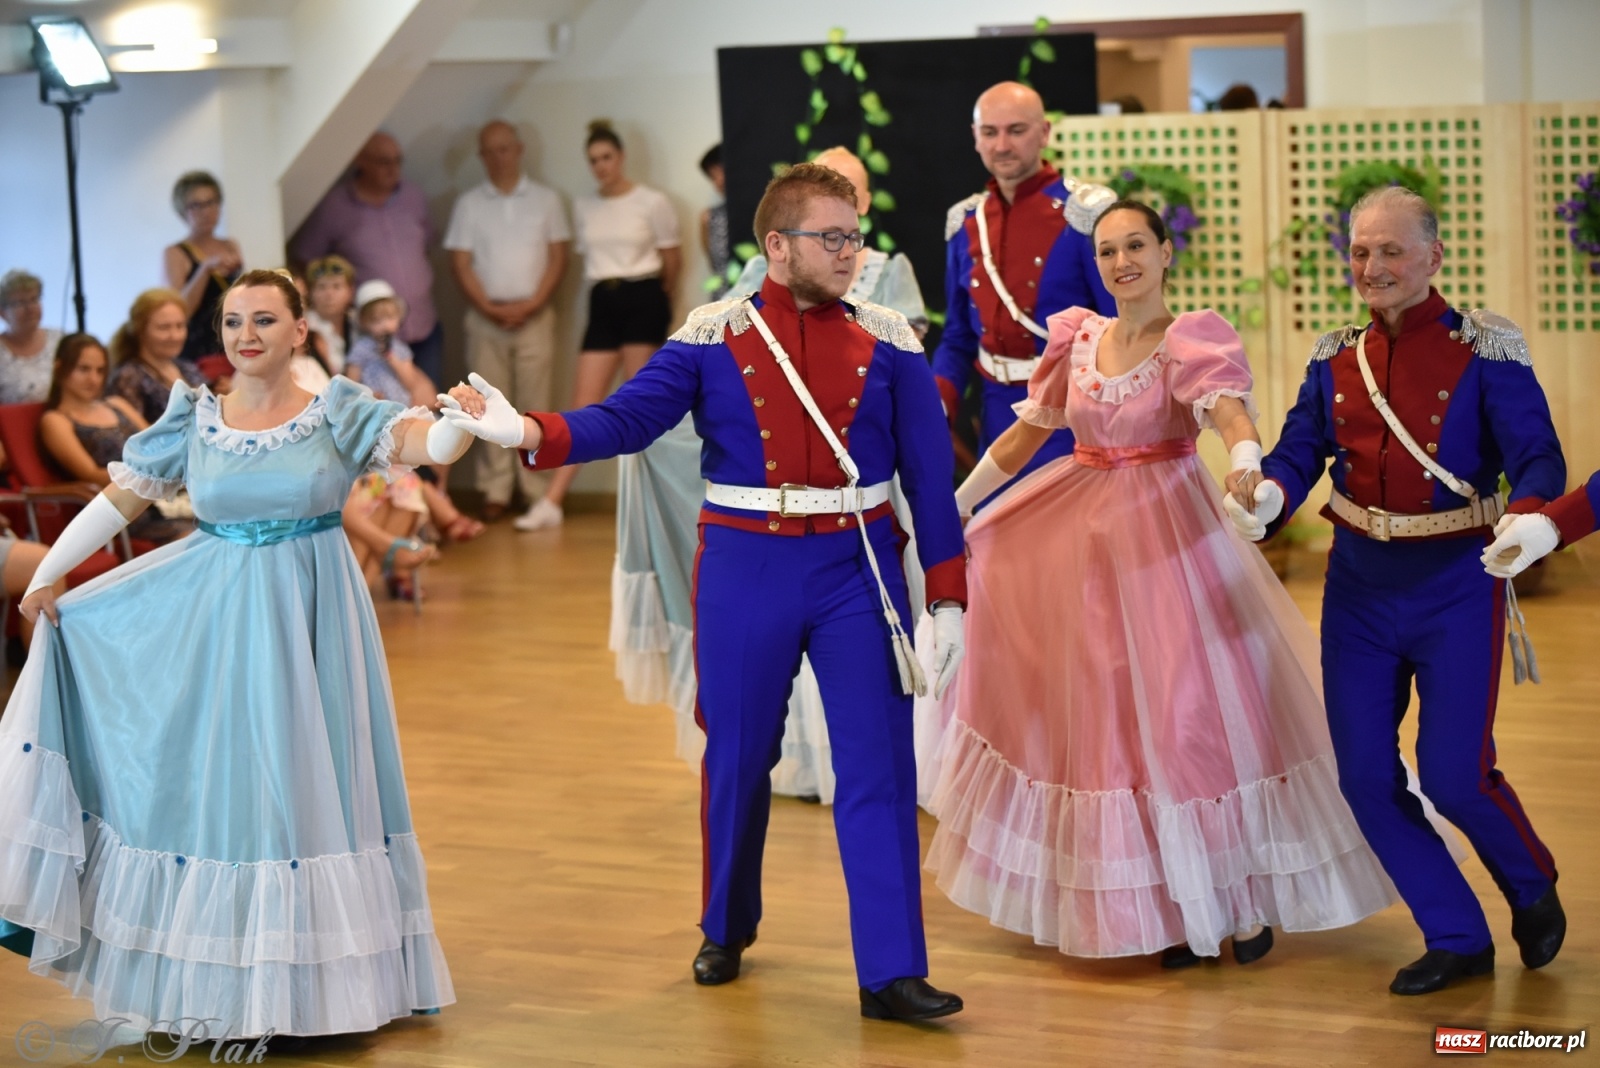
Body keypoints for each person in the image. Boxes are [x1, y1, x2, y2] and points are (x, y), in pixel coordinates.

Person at [439, 163, 969, 1022]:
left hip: (857, 564)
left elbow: (931, 481)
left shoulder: (891, 340)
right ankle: (726, 923)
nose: (851, 251)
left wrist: (946, 598)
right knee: (736, 759)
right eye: (831, 237)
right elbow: (626, 419)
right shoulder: (710, 335)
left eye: (854, 235)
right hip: (745, 566)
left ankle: (891, 971)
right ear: (776, 246)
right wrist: (527, 430)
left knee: (878, 767)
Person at [924, 200, 1396, 967]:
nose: (1122, 263)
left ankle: (1233, 898)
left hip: (1168, 542)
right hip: (1081, 546)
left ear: (1166, 252)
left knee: (1189, 723)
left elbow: (1229, 415)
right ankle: (1168, 908)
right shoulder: (1076, 337)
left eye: (1136, 246)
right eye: (1108, 251)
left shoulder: (1190, 339)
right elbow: (1025, 434)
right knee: (1110, 727)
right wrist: (956, 508)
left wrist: (1246, 461)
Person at [0, 268, 468, 1040]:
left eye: (263, 320)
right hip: (216, 620)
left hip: (314, 619)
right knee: (234, 793)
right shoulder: (194, 416)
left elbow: (417, 441)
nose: (245, 335)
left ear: (298, 333)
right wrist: (49, 573)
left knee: (307, 784)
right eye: (231, 322)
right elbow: (124, 497)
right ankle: (232, 982)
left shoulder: (337, 408)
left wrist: (464, 422)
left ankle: (321, 988)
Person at [1232, 186, 1567, 995]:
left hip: (1456, 582)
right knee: (1365, 777)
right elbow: (1300, 446)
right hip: (1357, 587)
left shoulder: (1486, 350)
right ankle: (1455, 934)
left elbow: (1540, 462)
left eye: (1390, 250)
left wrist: (1528, 517)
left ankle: (1529, 880)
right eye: (1359, 252)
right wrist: (1271, 491)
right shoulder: (1335, 355)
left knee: (1454, 773)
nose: (1372, 267)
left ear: (1433, 256)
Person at [616, 147, 930, 803]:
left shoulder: (886, 292)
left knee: (867, 682)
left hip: (859, 497)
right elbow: (727, 352)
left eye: (852, 193)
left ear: (865, 205)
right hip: (766, 528)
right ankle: (800, 766)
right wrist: (537, 431)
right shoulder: (754, 285)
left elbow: (905, 380)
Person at [933, 81, 1116, 499]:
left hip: (1074, 420)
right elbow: (959, 337)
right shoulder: (965, 222)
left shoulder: (1086, 214)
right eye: (989, 132)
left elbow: (1120, 330)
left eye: (1016, 130)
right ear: (975, 136)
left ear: (1045, 132)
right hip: (996, 419)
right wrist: (936, 403)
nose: (1001, 145)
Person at [515, 120, 681, 532]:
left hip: (644, 296)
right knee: (585, 404)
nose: (601, 166)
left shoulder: (652, 201)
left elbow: (671, 261)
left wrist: (661, 305)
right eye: (594, 161)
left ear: (621, 157)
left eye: (607, 157)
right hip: (603, 300)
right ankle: (552, 502)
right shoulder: (584, 206)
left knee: (639, 403)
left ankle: (647, 506)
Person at [444, 120, 571, 523]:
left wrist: (533, 303)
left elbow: (558, 256)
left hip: (535, 315)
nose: (498, 157)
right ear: (481, 157)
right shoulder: (469, 204)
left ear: (518, 149)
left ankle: (535, 490)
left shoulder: (547, 199)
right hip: (485, 317)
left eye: (504, 149)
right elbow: (460, 262)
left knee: (536, 404)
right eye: (489, 151)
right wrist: (488, 306)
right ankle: (494, 490)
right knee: (482, 405)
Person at [291, 132, 444, 383]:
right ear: (361, 161)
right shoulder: (336, 205)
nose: (393, 169)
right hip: (371, 336)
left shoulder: (412, 196)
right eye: (384, 161)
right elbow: (306, 258)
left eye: (398, 161)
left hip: (424, 326)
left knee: (430, 401)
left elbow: (426, 246)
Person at [38, 333, 190, 545]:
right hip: (121, 507)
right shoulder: (56, 420)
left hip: (160, 492)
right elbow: (91, 474)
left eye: (100, 370)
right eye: (84, 369)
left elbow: (160, 444)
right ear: (60, 368)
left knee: (230, 518)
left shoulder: (116, 403)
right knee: (200, 537)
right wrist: (150, 476)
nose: (94, 379)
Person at [163, 170, 243, 381]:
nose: (206, 211)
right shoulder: (176, 253)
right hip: (196, 352)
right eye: (196, 205)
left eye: (212, 203)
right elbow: (180, 310)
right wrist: (204, 269)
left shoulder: (230, 245)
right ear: (183, 211)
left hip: (231, 343)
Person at [104, 288, 205, 425]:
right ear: (140, 330)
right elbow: (133, 437)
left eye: (180, 326)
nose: (174, 336)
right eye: (164, 328)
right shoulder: (128, 377)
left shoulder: (186, 367)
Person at [0, 270, 62, 406]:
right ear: (3, 312)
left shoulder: (61, 341)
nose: (30, 308)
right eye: (20, 303)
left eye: (34, 299)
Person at [304, 254, 357, 374]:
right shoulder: (303, 328)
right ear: (310, 292)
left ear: (350, 291)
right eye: (321, 287)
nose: (329, 294)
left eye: (336, 286)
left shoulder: (358, 323)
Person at [699, 143, 731, 300]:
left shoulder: (766, 211)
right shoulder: (708, 217)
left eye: (721, 170)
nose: (719, 180)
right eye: (712, 176)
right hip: (723, 298)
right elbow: (714, 264)